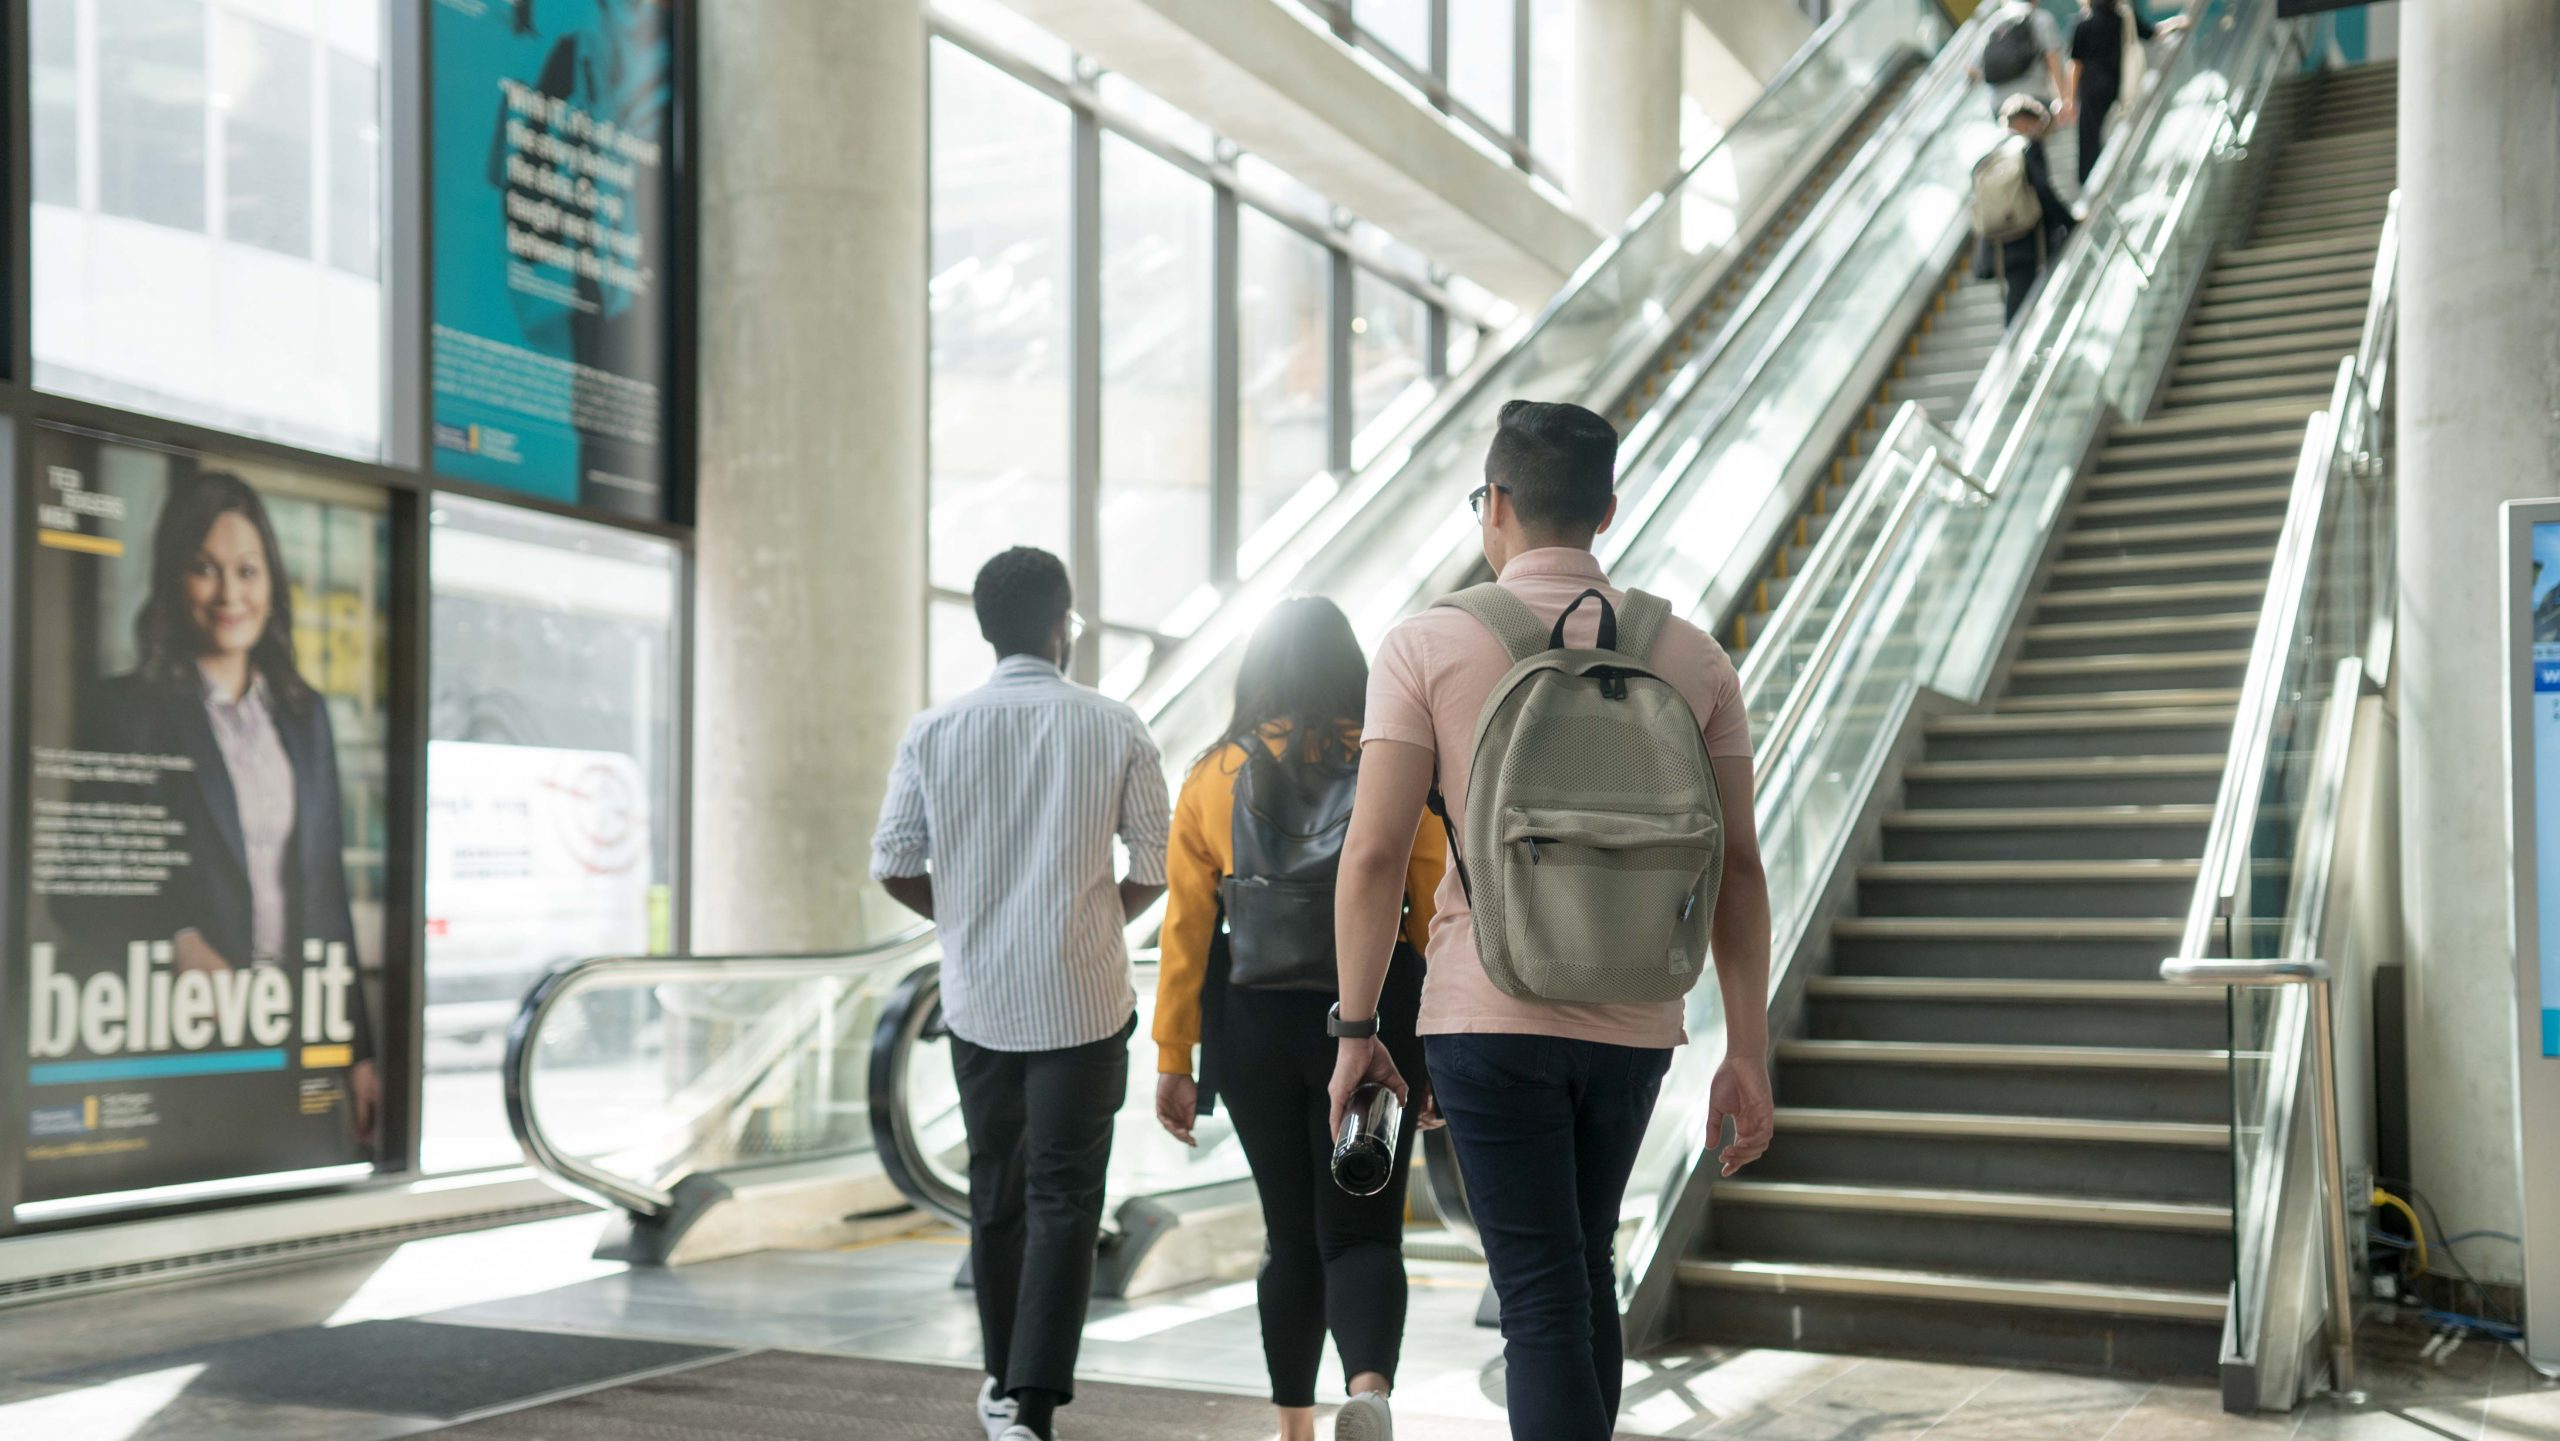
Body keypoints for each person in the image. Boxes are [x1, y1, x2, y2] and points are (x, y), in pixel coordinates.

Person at [1326, 401, 1774, 1441]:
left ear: (1495, 506)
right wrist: (1743, 1047)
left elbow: (1374, 855)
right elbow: (1739, 868)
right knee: (1580, 1274)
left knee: (1537, 1293)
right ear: (1607, 509)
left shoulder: (1426, 644)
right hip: (1634, 1016)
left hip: (1485, 1009)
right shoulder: (1696, 658)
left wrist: (1358, 1032)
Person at [871, 547, 1173, 1441]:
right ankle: (1034, 1402)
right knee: (1066, 1194)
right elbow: (1154, 866)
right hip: (1083, 1001)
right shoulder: (1114, 723)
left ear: (984, 626)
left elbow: (892, 862)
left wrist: (965, 918)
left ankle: (1003, 1384)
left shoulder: (934, 730)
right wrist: (1096, 919)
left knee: (995, 1186)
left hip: (979, 998)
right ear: (1062, 624)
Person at [1153, 597, 1445, 1441]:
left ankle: (1294, 1427)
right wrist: (1432, 1044)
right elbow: (1429, 907)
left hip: (1253, 1022)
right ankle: (1371, 1390)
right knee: (1362, 1229)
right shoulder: (1390, 763)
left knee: (1289, 1233)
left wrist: (1177, 1055)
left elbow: (1187, 930)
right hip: (1375, 1013)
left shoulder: (1214, 773)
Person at [96, 470, 380, 1147]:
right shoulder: (128, 710)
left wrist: (358, 1048)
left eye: (247, 570)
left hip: (295, 1033)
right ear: (174, 580)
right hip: (186, 1034)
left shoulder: (303, 714)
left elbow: (328, 893)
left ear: (271, 582)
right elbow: (82, 888)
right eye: (205, 569)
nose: (230, 593)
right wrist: (179, 942)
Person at [1974, 96, 2079, 325]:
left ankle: (2013, 344)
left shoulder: (1989, 152)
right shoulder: (2027, 148)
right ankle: (2014, 349)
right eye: (2037, 124)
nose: (2039, 131)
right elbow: (2043, 189)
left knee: (2017, 298)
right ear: (2024, 121)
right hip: (2031, 238)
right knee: (2027, 299)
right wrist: (2070, 221)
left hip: (1998, 241)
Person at [2066, 0, 2184, 186]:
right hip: (2116, 84)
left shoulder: (2083, 24)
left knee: (2089, 135)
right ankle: (2119, 174)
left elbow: (2076, 64)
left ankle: (2090, 180)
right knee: (2120, 126)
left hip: (2090, 87)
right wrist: (2177, 23)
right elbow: (2153, 32)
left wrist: (2070, 99)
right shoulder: (2124, 18)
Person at [1970, 0, 2071, 121]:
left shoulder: (1992, 24)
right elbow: (2052, 59)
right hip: (2036, 100)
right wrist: (2062, 99)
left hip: (2000, 106)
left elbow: (1972, 69)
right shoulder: (2040, 18)